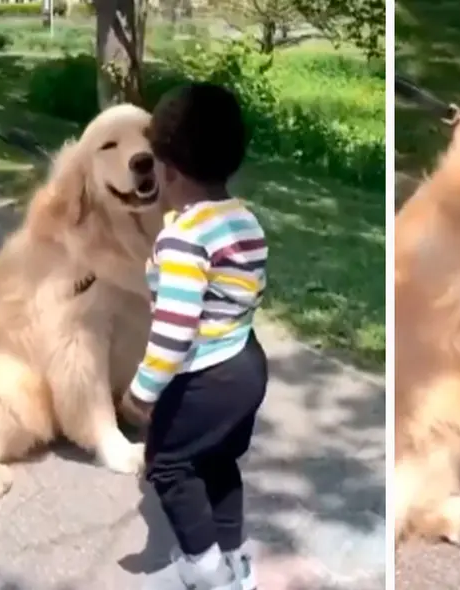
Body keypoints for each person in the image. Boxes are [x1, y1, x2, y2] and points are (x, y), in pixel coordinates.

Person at [122, 82, 267, 590]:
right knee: (218, 461)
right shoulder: (243, 219)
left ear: (167, 170)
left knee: (168, 465)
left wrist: (142, 392)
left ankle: (205, 573)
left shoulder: (183, 239)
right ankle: (235, 562)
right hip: (247, 362)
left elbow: (175, 331)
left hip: (207, 374)